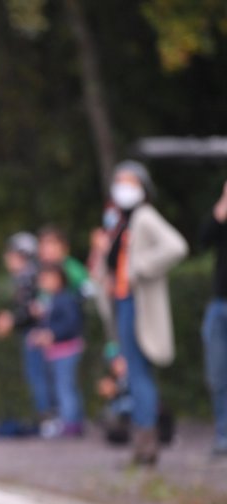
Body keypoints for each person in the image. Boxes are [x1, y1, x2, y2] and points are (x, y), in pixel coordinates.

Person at [88, 160, 188, 466]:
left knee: (139, 373)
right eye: (119, 181)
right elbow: (105, 269)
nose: (123, 187)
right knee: (130, 372)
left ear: (143, 187)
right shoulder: (118, 222)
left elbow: (176, 246)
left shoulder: (144, 217)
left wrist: (139, 269)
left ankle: (147, 443)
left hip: (137, 304)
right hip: (121, 302)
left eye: (130, 182)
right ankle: (142, 443)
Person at [0, 231, 53, 428]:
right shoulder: (27, 276)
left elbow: (32, 310)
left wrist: (11, 320)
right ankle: (46, 417)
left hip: (36, 335)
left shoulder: (29, 277)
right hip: (34, 333)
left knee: (39, 377)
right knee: (38, 377)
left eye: (11, 254)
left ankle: (48, 419)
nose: (7, 258)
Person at [28, 264, 85, 438]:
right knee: (59, 387)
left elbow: (70, 324)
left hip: (66, 351)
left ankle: (71, 423)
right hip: (55, 352)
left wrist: (52, 334)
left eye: (47, 278)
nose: (43, 282)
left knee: (65, 387)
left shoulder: (65, 299)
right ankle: (66, 420)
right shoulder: (50, 300)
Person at [197, 178, 227, 458]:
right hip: (220, 304)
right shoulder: (223, 218)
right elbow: (202, 241)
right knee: (217, 375)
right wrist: (222, 206)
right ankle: (223, 436)